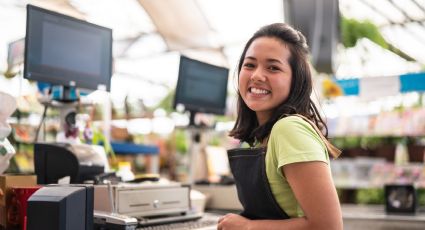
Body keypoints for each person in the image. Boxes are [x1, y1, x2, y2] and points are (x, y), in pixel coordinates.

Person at [218, 23, 343, 230]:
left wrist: (248, 227)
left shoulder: (289, 128)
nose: (257, 75)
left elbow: (328, 226)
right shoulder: (259, 138)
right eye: (249, 65)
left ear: (296, 80)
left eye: (273, 67)